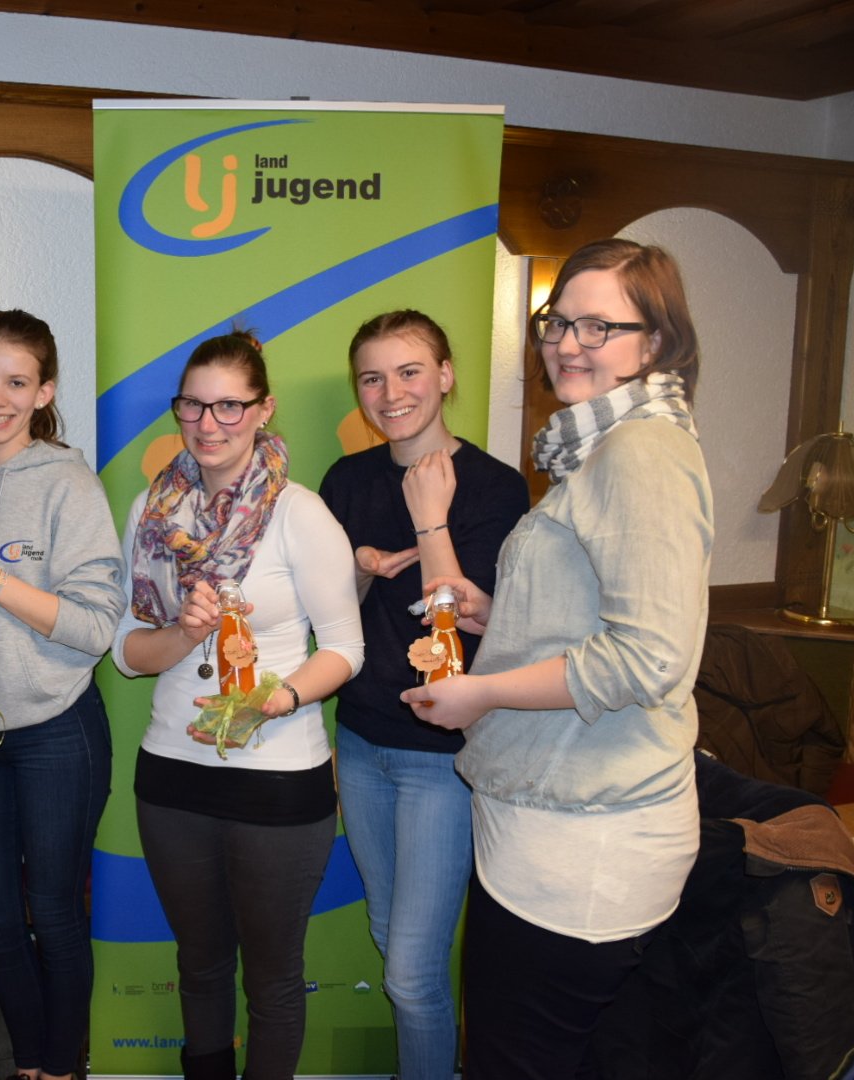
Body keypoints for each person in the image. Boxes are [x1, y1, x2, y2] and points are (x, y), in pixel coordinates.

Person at [402, 239, 713, 1079]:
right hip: (561, 819)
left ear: (655, 341)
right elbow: (594, 614)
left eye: (598, 326)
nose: (569, 343)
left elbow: (649, 656)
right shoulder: (597, 447)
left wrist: (483, 692)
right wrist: (497, 613)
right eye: (558, 322)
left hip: (584, 842)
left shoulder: (641, 452)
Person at [114, 331, 364, 1080]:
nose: (208, 423)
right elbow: (128, 653)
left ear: (263, 409)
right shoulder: (152, 511)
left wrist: (277, 699)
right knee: (198, 965)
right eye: (193, 405)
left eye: (229, 405)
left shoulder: (300, 513)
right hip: (173, 774)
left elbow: (345, 648)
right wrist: (183, 633)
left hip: (278, 780)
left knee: (274, 978)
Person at [318, 310, 528, 1080]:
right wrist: (359, 571)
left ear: (445, 375)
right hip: (362, 742)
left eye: (409, 372)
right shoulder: (345, 480)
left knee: (410, 972)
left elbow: (464, 619)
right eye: (372, 378)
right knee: (391, 938)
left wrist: (430, 518)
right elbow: (328, 614)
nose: (391, 393)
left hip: (444, 758)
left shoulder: (497, 486)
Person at [0, 309, 124, 1080]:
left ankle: (61, 1067)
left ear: (44, 392)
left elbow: (96, 628)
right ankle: (31, 1060)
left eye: (15, 382)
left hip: (56, 732)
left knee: (57, 916)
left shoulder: (69, 484)